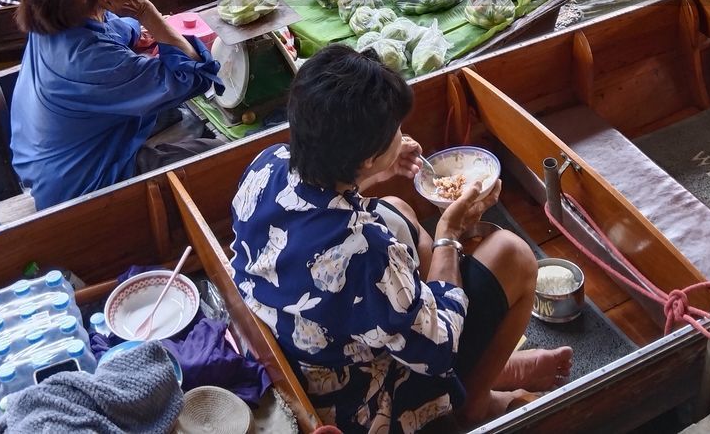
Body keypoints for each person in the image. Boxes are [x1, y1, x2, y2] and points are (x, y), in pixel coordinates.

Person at [228, 46, 572, 433]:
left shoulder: (268, 162)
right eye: (394, 131)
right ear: (366, 157)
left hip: (304, 347)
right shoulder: (365, 251)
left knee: (396, 209)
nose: (401, 134)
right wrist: (448, 234)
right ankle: (476, 402)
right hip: (359, 398)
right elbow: (438, 350)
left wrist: (375, 174)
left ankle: (494, 369)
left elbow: (322, 211)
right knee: (513, 255)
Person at [9, 0, 222, 209]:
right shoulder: (91, 61)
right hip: (81, 185)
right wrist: (146, 12)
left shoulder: (56, 15)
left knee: (176, 111)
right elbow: (196, 74)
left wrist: (142, 28)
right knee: (224, 156)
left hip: (47, 160)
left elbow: (117, 27)